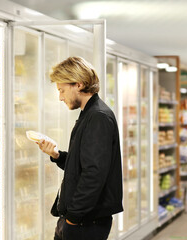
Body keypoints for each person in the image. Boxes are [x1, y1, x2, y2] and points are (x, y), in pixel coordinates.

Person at [38, 56, 123, 240]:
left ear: (78, 84)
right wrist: (56, 154)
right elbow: (83, 164)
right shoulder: (89, 114)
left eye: (61, 90)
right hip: (80, 219)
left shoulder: (98, 117)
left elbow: (94, 173)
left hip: (85, 222)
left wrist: (73, 219)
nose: (60, 97)